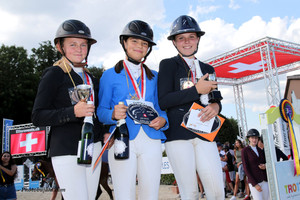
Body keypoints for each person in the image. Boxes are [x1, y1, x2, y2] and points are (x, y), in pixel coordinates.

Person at [32, 19, 105, 200]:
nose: (79, 49)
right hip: (66, 149)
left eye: (83, 44)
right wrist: (72, 112)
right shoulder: (54, 74)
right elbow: (37, 116)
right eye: (72, 44)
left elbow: (96, 114)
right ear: (60, 47)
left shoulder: (92, 79)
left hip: (93, 147)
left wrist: (104, 132)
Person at [97, 20, 168, 200]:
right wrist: (112, 114)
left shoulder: (155, 76)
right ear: (125, 43)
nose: (139, 46)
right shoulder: (109, 75)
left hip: (151, 138)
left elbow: (162, 108)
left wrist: (164, 119)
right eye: (134, 41)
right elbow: (101, 110)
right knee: (123, 193)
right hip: (122, 138)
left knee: (150, 193)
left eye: (144, 43)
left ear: (148, 48)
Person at [158, 15, 224, 200]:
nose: (187, 42)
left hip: (205, 132)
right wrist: (196, 90)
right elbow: (164, 100)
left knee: (217, 191)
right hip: (179, 135)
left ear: (198, 39)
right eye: (181, 38)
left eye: (191, 37)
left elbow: (216, 99)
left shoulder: (208, 68)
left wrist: (216, 107)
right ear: (174, 42)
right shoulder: (168, 65)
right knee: (190, 193)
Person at [242, 129, 270, 200]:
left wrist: (265, 166)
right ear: (249, 138)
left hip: (264, 180)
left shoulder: (261, 150)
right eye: (252, 138)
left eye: (256, 138)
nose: (254, 140)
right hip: (254, 182)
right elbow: (246, 168)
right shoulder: (245, 151)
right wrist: (255, 184)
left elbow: (266, 162)